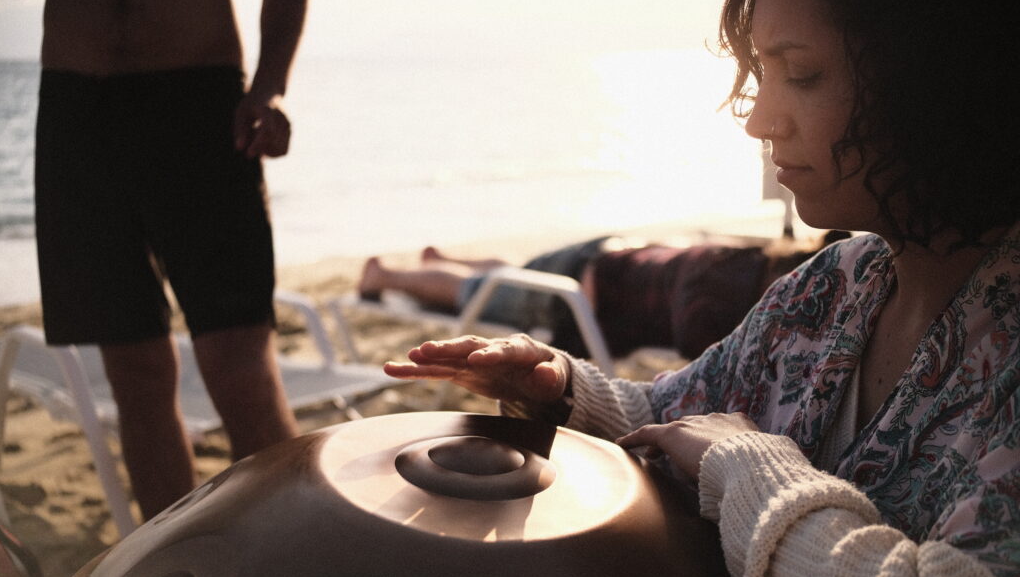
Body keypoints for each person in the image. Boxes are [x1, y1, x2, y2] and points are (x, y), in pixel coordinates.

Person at [384, 0, 1020, 577]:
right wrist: (562, 390)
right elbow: (679, 417)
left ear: (934, 79)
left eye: (801, 74)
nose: (762, 121)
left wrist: (754, 471)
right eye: (762, 74)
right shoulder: (836, 283)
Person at [3, 0, 308, 520]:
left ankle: (292, 563)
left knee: (240, 365)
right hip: (78, 110)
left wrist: (270, 86)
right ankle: (176, 571)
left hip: (200, 102)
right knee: (134, 371)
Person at [360, 231, 848, 360]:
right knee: (474, 292)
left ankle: (438, 258)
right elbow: (701, 347)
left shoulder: (749, 257)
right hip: (577, 295)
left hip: (607, 256)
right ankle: (385, 276)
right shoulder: (717, 302)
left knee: (511, 273)